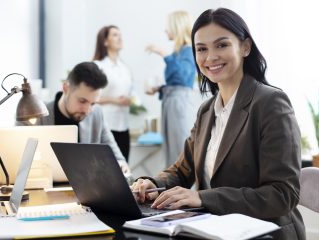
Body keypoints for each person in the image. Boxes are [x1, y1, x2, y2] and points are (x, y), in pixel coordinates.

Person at [132, 8, 305, 239]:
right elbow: (182, 170)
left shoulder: (271, 103)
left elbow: (282, 195)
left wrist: (203, 197)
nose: (210, 57)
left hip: (264, 232)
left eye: (221, 45)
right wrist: (150, 184)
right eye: (201, 49)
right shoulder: (207, 110)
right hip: (215, 230)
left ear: (245, 47)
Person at [19, 62, 130, 174]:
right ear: (66, 88)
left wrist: (121, 165)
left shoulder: (96, 114)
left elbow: (118, 157)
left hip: (87, 189)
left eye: (93, 103)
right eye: (82, 101)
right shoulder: (35, 115)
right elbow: (18, 160)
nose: (87, 110)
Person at [145, 10, 197, 167]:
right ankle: (172, 188)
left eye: (168, 26)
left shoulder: (188, 49)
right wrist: (159, 89)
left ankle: (184, 190)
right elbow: (177, 81)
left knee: (179, 150)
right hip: (171, 101)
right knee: (171, 150)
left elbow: (182, 77)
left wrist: (163, 54)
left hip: (178, 104)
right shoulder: (179, 51)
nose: (165, 30)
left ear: (177, 27)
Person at [93, 25, 133, 162]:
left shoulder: (125, 68)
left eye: (120, 34)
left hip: (124, 126)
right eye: (115, 35)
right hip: (107, 126)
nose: (119, 37)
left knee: (124, 170)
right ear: (105, 41)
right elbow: (90, 98)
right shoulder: (98, 66)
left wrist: (129, 100)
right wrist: (114, 100)